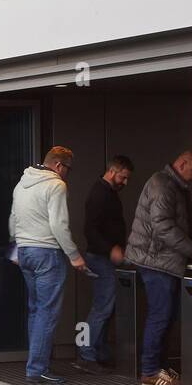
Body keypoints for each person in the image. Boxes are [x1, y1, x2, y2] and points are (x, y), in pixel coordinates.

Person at [10, 146, 86, 385]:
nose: (67, 175)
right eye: (68, 169)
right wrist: (74, 255)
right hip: (47, 254)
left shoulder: (21, 184)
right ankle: (37, 368)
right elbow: (59, 225)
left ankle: (35, 364)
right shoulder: (56, 185)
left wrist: (16, 247)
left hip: (24, 252)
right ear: (59, 165)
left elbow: (13, 218)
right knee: (47, 311)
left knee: (35, 309)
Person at [125, 151, 192, 385]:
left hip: (162, 261)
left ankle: (161, 367)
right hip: (156, 261)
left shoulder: (174, 186)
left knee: (166, 316)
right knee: (160, 315)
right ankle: (149, 371)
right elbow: (163, 226)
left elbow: (179, 223)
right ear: (182, 163)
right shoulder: (162, 184)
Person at [74, 155, 134, 373]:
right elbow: (90, 230)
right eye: (123, 177)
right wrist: (111, 249)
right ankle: (87, 353)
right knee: (102, 307)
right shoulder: (100, 194)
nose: (125, 183)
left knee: (104, 307)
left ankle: (97, 351)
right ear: (113, 171)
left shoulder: (105, 192)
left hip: (103, 257)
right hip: (101, 258)